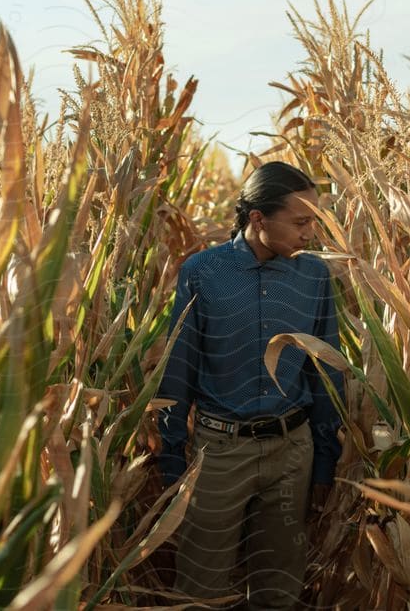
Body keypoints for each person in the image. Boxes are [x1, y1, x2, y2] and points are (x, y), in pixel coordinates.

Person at [155, 160, 344, 608]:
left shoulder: (314, 276)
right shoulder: (203, 273)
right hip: (219, 455)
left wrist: (323, 461)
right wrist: (170, 460)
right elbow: (178, 369)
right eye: (300, 222)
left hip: (291, 453)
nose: (310, 234)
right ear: (258, 219)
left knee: (278, 592)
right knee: (200, 592)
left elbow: (325, 371)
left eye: (313, 222)